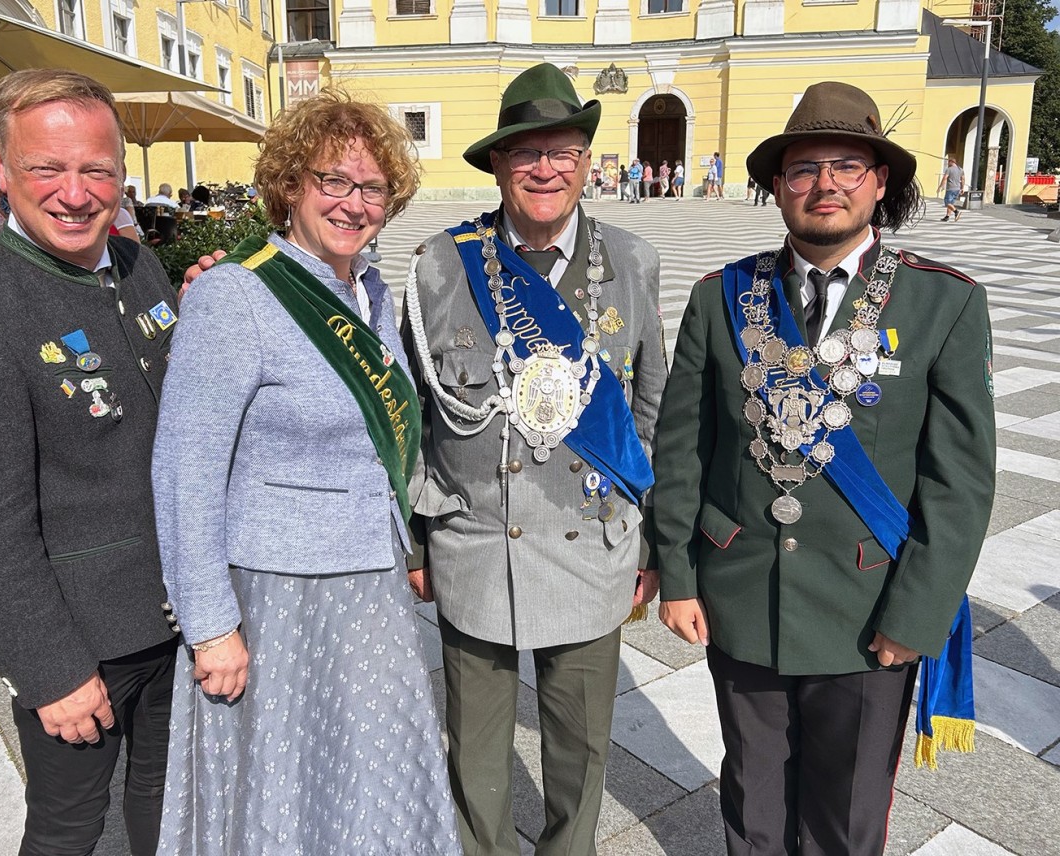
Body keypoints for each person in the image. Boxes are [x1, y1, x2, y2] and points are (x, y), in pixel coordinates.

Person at [653, 81, 995, 856]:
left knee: (844, 820)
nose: (826, 183)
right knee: (754, 806)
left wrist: (918, 616)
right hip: (740, 595)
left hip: (868, 607)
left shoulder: (942, 303)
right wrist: (677, 573)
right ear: (777, 185)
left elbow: (960, 483)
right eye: (804, 168)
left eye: (848, 164)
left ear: (880, 182)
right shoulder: (721, 298)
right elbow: (682, 449)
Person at [152, 88, 460, 855]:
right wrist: (210, 626)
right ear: (290, 185)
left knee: (369, 767)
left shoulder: (372, 291)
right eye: (333, 181)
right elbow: (184, 470)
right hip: (279, 589)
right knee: (289, 777)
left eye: (373, 187)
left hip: (371, 578)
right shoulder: (236, 293)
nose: (354, 204)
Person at [0, 69, 181, 856]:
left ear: (121, 172)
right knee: (67, 828)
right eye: (46, 168)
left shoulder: (136, 267)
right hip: (80, 638)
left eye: (96, 168)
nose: (74, 192)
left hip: (175, 614)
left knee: (166, 800)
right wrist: (49, 668)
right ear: (0, 168)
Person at [402, 63, 666, 856]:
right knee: (474, 755)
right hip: (474, 545)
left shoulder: (634, 260)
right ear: (497, 166)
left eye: (563, 152)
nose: (545, 168)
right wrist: (418, 540)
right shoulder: (440, 265)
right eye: (526, 154)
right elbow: (415, 412)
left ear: (587, 163)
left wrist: (649, 545)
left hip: (592, 547)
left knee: (580, 756)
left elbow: (653, 410)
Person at [937, 155, 964, 221]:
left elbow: (945, 178)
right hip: (957, 189)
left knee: (947, 202)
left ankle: (956, 211)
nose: (948, 164)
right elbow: (963, 179)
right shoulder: (960, 169)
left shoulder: (949, 169)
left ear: (951, 162)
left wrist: (941, 186)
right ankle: (947, 216)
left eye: (948, 162)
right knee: (951, 203)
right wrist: (962, 188)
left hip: (951, 189)